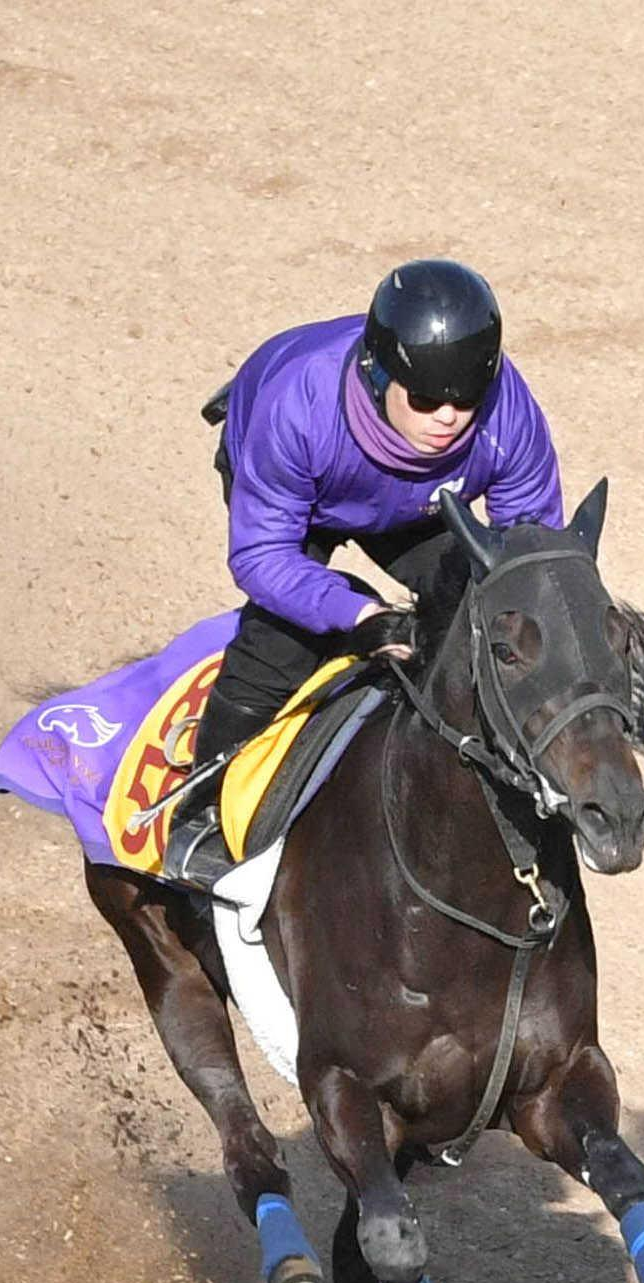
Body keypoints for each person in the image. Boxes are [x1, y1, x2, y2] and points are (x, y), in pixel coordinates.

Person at [163, 258, 564, 884]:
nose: (449, 418)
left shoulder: (506, 410)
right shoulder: (298, 407)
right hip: (305, 488)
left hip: (421, 502)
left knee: (475, 614)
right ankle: (201, 812)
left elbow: (526, 552)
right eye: (427, 399)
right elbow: (263, 556)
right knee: (282, 640)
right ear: (377, 376)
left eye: (465, 400)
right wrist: (359, 615)